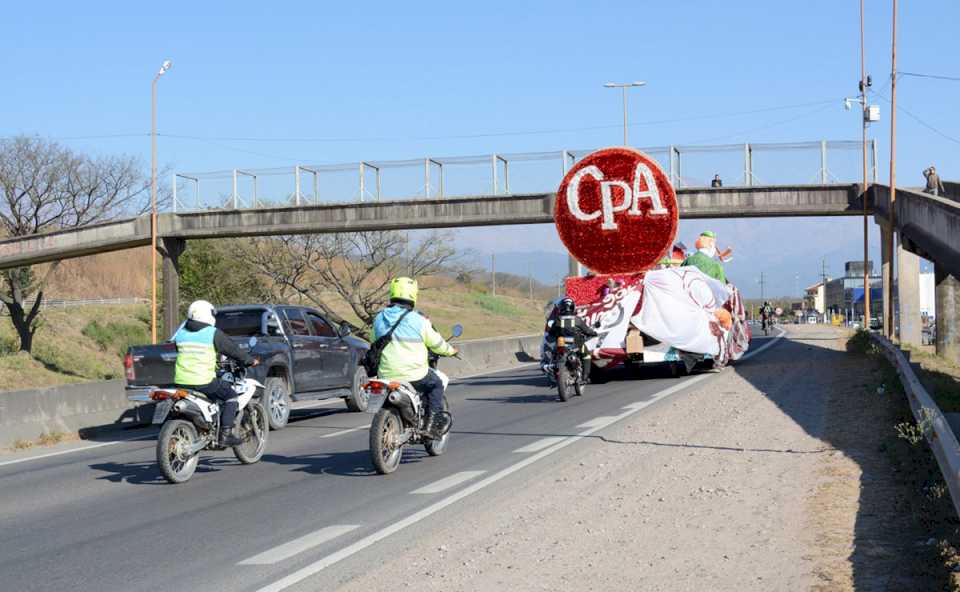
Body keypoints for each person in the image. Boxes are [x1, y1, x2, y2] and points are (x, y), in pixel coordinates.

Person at [374, 277, 458, 437]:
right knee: (436, 384)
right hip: (414, 374)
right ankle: (431, 426)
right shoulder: (419, 320)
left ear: (392, 292)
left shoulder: (379, 317)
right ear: (413, 295)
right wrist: (451, 351)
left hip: (385, 373)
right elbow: (437, 343)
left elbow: (374, 340)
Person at [172, 300, 259, 446]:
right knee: (230, 396)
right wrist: (250, 360)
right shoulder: (212, 333)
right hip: (203, 381)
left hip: (181, 381)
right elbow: (233, 350)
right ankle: (225, 435)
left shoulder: (180, 334)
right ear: (207, 315)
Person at [547, 297, 598, 383]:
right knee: (587, 355)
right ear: (573, 307)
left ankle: (554, 374)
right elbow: (587, 331)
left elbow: (551, 333)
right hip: (576, 343)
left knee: (553, 355)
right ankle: (585, 377)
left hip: (561, 343)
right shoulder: (577, 320)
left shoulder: (557, 320)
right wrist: (594, 333)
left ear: (561, 307)